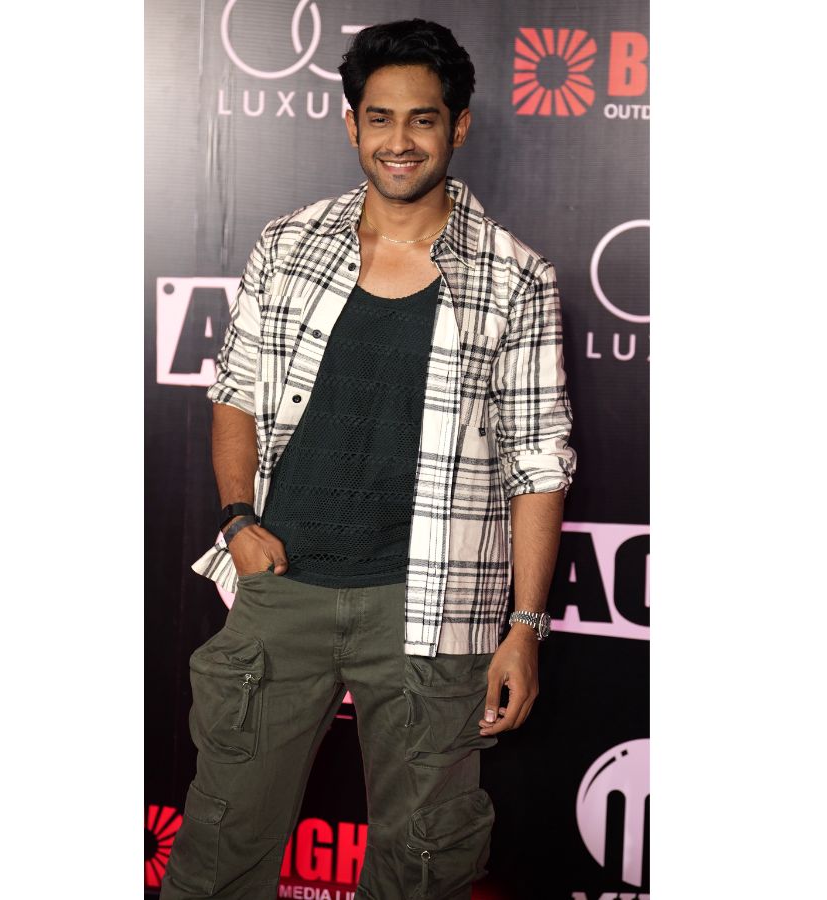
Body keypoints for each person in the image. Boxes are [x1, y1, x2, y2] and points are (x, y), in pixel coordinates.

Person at [161, 18, 575, 900]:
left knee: (423, 861)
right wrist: (238, 521)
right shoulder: (287, 244)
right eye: (380, 118)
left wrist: (527, 626)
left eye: (423, 119)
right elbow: (235, 393)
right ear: (352, 124)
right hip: (284, 588)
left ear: (458, 126)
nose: (400, 141)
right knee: (221, 847)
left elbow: (538, 460)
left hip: (431, 608)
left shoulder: (516, 276)